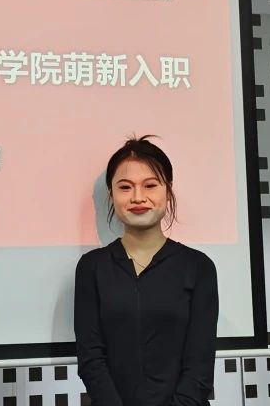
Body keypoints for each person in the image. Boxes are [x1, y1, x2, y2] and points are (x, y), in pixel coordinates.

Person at [74, 135, 219, 406]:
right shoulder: (91, 267)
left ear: (168, 191)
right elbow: (91, 359)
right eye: (125, 187)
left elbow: (199, 365)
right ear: (111, 196)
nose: (138, 197)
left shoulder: (198, 267)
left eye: (150, 185)